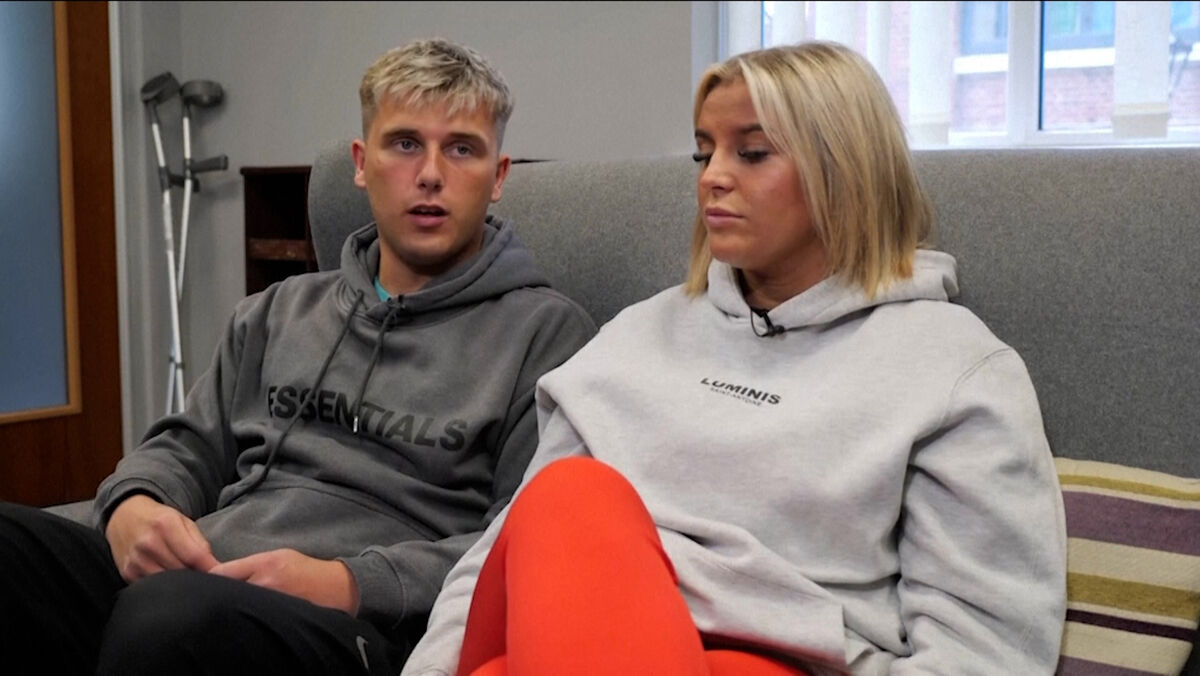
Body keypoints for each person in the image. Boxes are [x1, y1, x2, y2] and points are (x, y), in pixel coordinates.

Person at [402, 42, 1067, 676]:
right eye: (705, 153)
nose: (713, 177)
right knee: (567, 498)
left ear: (844, 170)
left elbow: (984, 641)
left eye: (751, 153)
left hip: (778, 653)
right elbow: (505, 546)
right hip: (563, 615)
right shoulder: (636, 335)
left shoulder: (953, 367)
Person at [0, 38, 595, 675]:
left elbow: (522, 542)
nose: (429, 173)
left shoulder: (547, 336)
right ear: (361, 164)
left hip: (361, 624)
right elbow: (187, 446)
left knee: (167, 619)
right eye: (404, 144)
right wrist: (133, 502)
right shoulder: (279, 309)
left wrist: (349, 582)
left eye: (461, 149)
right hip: (208, 576)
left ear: (498, 176)